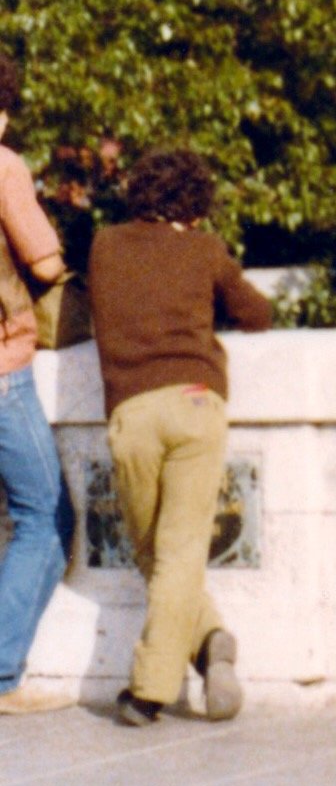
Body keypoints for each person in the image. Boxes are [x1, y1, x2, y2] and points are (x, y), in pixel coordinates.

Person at [87, 148, 274, 728]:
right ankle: (209, 639)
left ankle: (150, 685)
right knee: (176, 553)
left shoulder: (104, 245)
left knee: (155, 553)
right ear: (195, 206)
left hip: (133, 412)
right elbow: (257, 315)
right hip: (196, 404)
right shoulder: (205, 249)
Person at [0, 53, 78, 715]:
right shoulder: (4, 165)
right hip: (1, 371)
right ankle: (0, 673)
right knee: (47, 516)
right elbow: (44, 258)